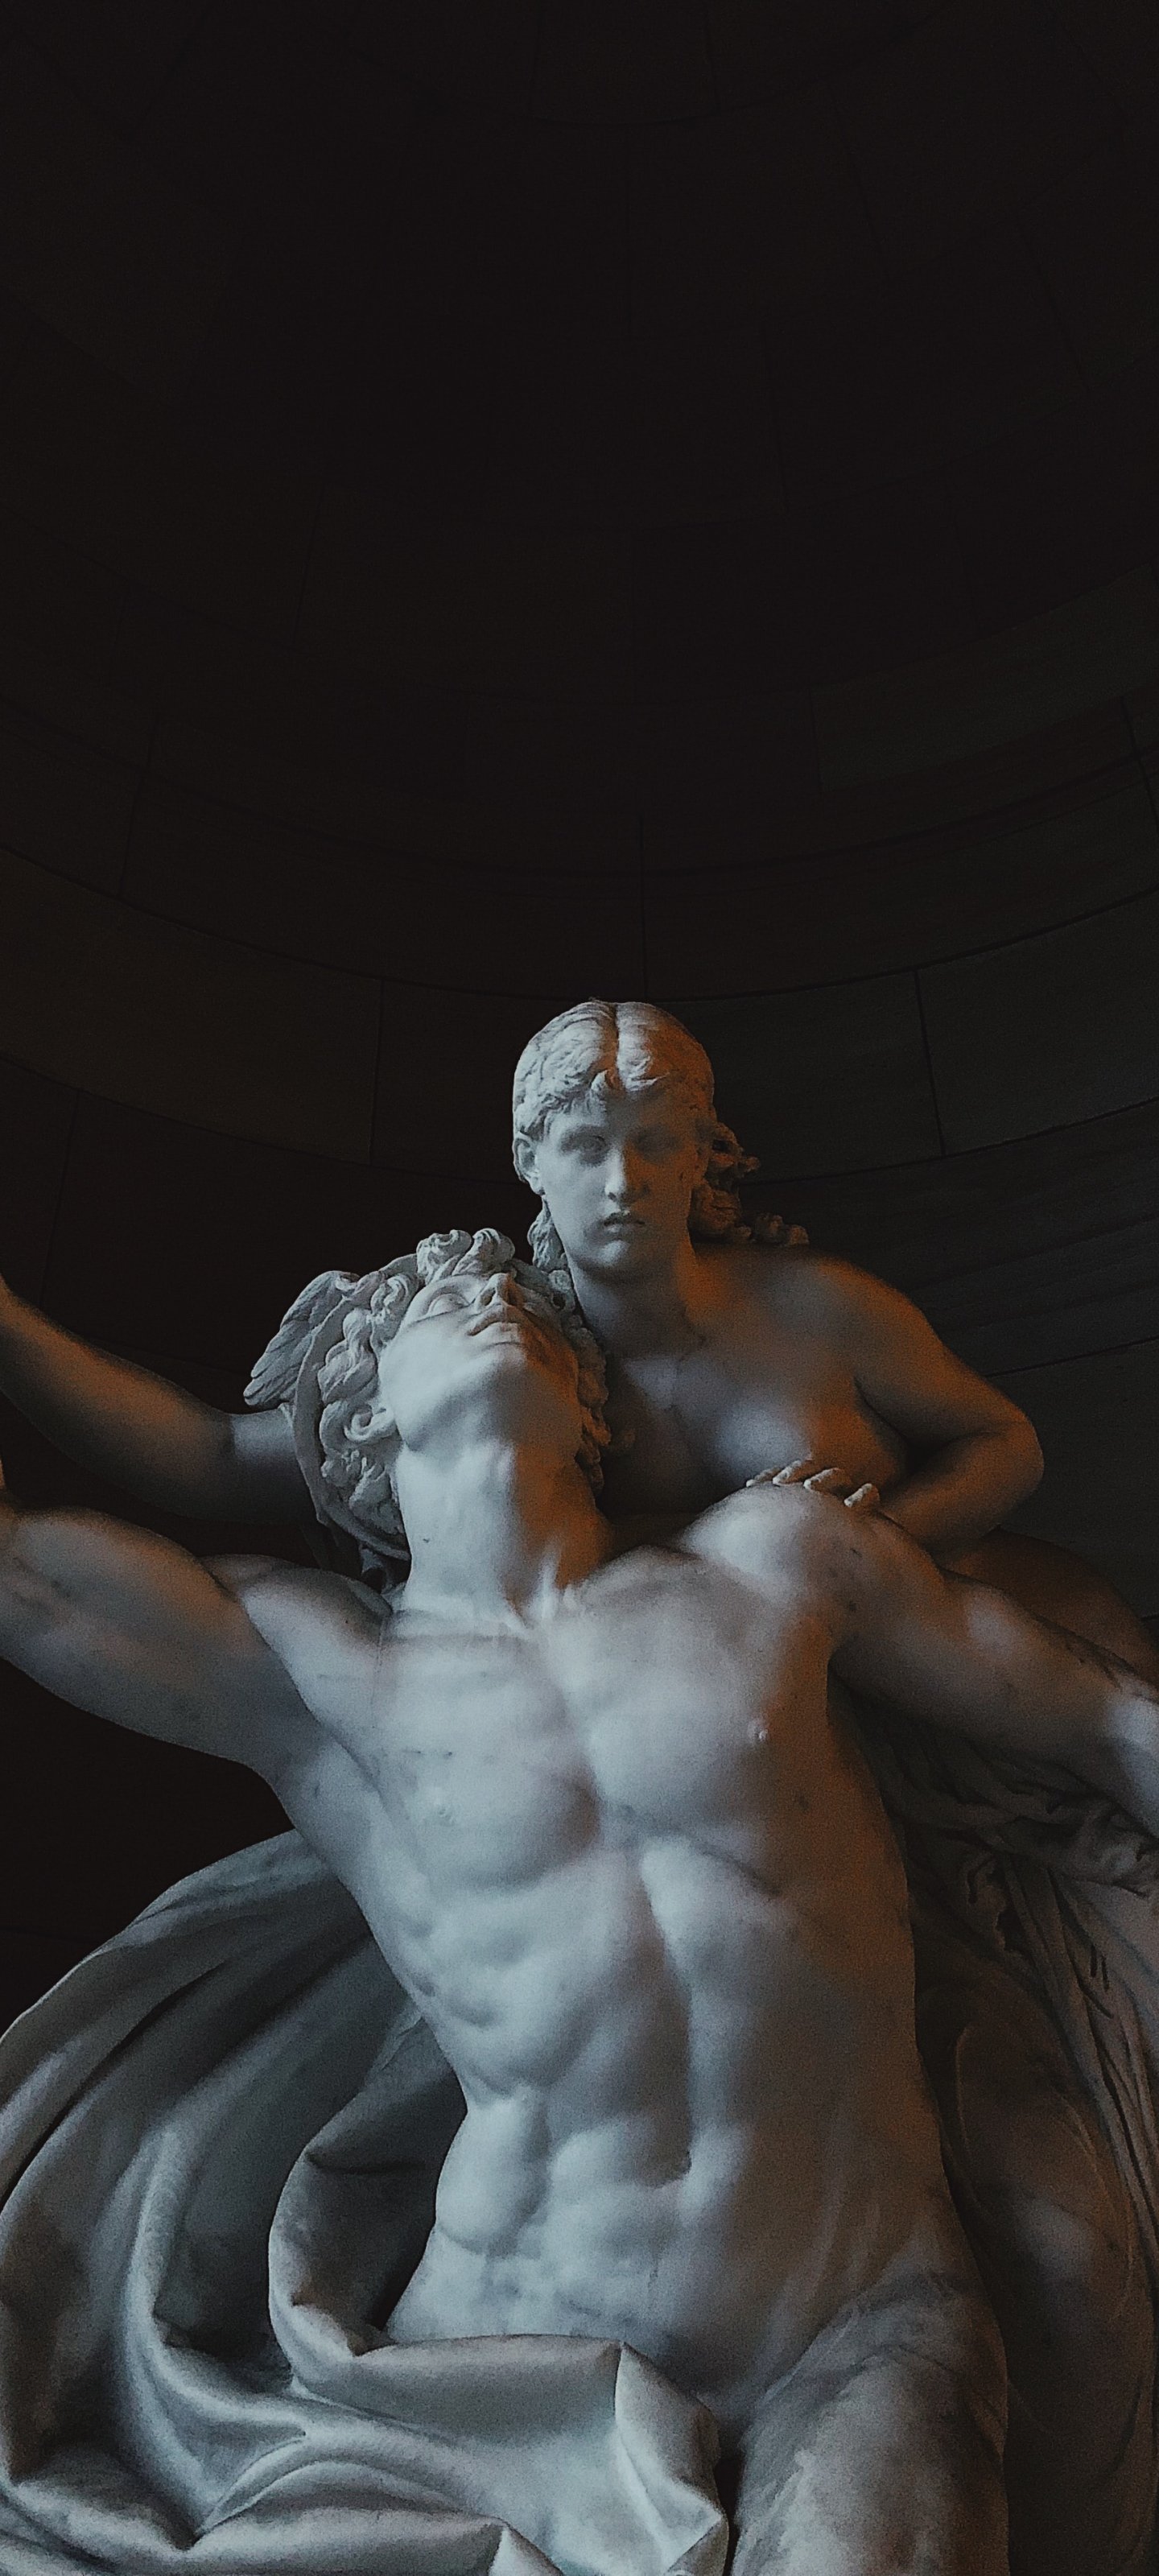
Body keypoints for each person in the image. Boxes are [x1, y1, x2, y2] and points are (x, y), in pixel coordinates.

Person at [2, 1228, 1159, 2573]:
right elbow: (22, 1575)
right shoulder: (313, 1666)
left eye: (527, 1301)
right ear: (362, 1410)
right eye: (445, 1299)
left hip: (853, 2318)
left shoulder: (776, 1560)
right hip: (502, 2354)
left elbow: (1103, 1720)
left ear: (590, 1403)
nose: (500, 1300)